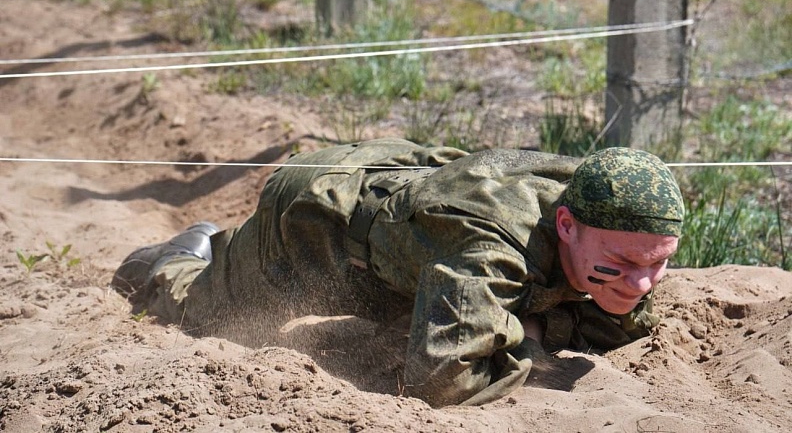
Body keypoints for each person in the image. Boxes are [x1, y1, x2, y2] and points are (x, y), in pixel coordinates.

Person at [112, 137, 684, 407]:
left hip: (402, 196)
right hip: (313, 219)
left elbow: (615, 323)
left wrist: (534, 319)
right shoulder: (492, 250)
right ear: (566, 225)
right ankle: (182, 254)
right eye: (620, 264)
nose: (641, 283)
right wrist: (527, 341)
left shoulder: (611, 206)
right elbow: (443, 381)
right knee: (196, 312)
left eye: (658, 261)